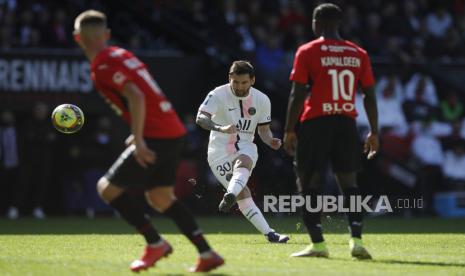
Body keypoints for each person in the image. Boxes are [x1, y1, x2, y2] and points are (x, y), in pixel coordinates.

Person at [73, 10, 223, 273]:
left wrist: (140, 139)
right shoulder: (121, 54)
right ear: (107, 35)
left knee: (107, 188)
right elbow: (143, 94)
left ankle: (155, 243)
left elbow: (137, 97)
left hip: (157, 134)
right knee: (160, 196)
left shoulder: (102, 64)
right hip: (173, 130)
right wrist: (138, 131)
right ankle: (206, 252)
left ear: (78, 39)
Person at [283, 4, 379, 259]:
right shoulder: (358, 53)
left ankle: (318, 245)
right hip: (346, 123)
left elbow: (298, 92)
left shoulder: (308, 50)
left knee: (308, 181)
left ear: (317, 23)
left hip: (316, 122)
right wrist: (374, 131)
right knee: (349, 183)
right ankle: (356, 241)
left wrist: (290, 129)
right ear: (339, 23)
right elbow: (369, 95)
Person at [196, 61, 289, 243]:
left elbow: (263, 131)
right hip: (218, 152)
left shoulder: (262, 100)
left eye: (244, 82)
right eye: (235, 82)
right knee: (243, 192)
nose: (239, 87)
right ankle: (234, 196)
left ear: (252, 80)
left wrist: (270, 140)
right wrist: (220, 128)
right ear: (229, 78)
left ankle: (270, 233)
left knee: (244, 160)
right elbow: (201, 119)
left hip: (245, 146)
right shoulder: (217, 94)